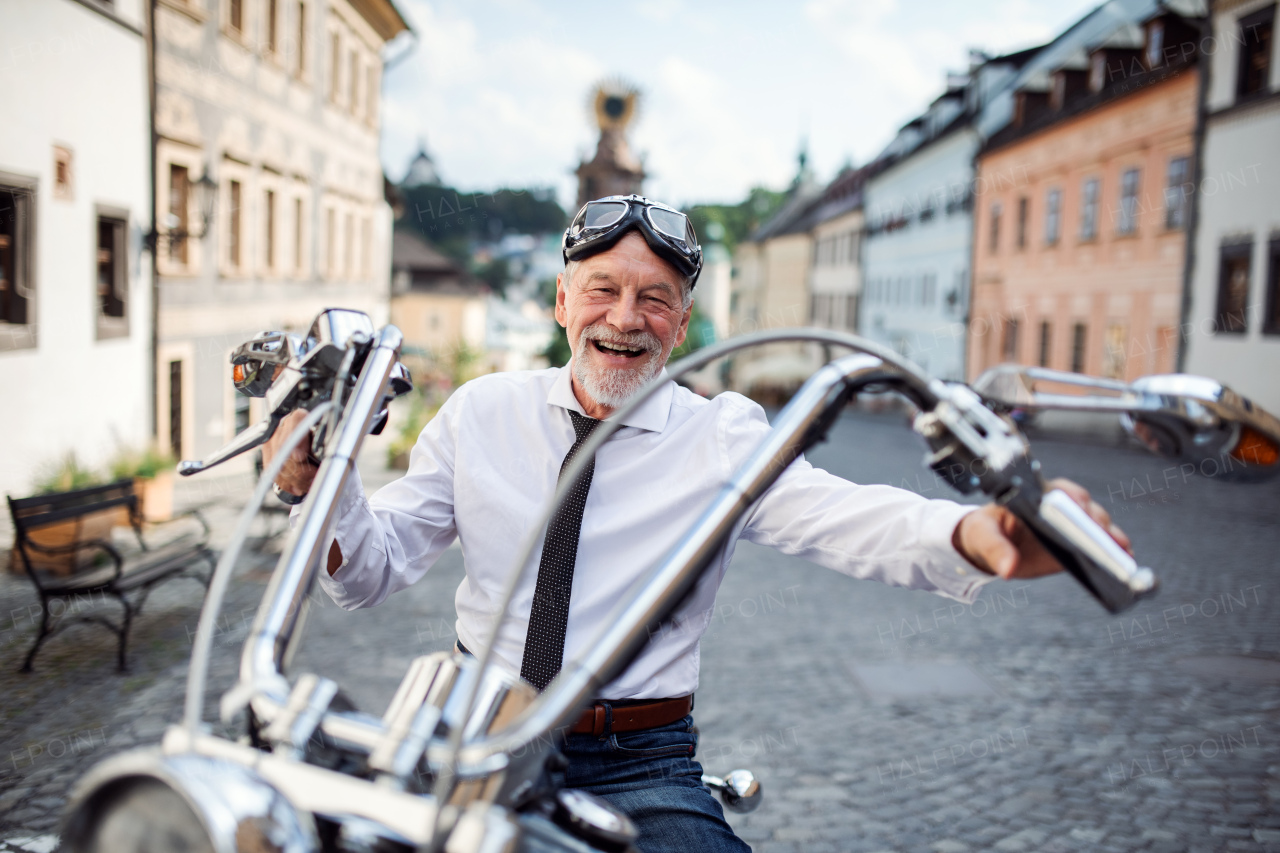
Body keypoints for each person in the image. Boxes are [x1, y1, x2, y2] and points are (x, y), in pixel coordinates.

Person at [264, 195, 1131, 853]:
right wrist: (317, 482)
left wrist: (978, 535)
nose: (625, 317)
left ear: (682, 324)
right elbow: (365, 569)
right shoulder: (480, 410)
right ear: (562, 301)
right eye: (602, 290)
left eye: (655, 298)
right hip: (468, 730)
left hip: (639, 758)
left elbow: (848, 515)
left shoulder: (720, 435)